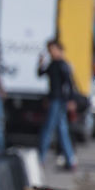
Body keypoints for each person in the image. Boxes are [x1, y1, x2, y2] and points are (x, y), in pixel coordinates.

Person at [37, 39, 78, 171]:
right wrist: (40, 64)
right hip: (54, 99)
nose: (51, 53)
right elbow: (40, 74)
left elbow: (69, 83)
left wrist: (71, 100)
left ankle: (41, 158)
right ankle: (70, 159)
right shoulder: (52, 64)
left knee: (48, 129)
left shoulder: (62, 64)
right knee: (61, 130)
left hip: (58, 100)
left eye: (53, 50)